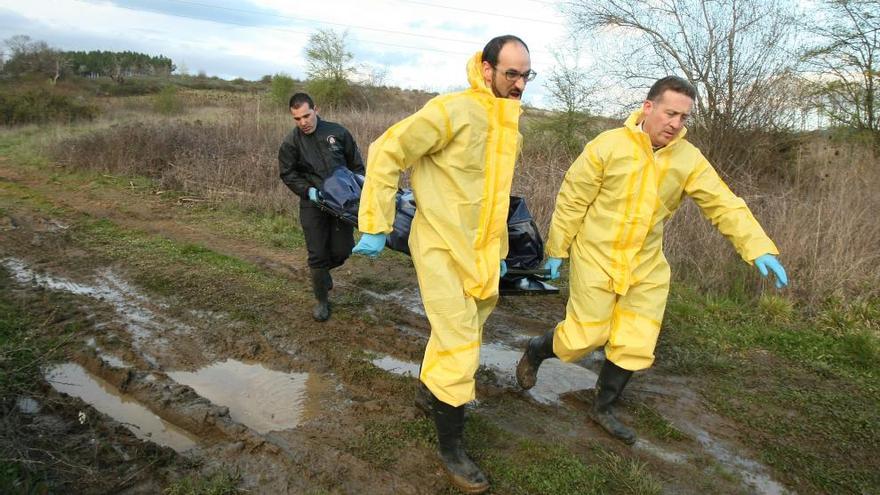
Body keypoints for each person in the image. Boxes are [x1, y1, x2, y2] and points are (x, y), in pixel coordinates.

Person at [516, 76, 789, 445]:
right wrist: (558, 249)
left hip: (646, 263)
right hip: (596, 255)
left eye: (683, 117)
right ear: (649, 107)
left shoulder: (687, 159)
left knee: (636, 339)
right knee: (585, 336)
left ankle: (603, 406)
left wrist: (757, 247)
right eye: (670, 113)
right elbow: (573, 198)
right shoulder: (608, 146)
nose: (676, 123)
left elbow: (723, 203)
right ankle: (536, 349)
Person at [351, 35, 534, 494]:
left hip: (484, 255)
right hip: (438, 248)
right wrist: (376, 221)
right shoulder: (450, 110)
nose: (519, 83)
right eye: (511, 73)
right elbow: (387, 150)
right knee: (459, 345)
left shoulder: (511, 127)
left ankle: (427, 390)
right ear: (486, 68)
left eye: (526, 74)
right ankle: (451, 448)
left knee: (463, 331)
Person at [279, 92, 364, 322]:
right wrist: (309, 191)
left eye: (306, 116)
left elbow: (357, 166)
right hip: (313, 204)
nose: (303, 122)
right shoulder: (291, 143)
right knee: (317, 255)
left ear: (315, 109)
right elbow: (288, 173)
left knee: (343, 250)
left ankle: (323, 273)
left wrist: (356, 191)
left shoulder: (338, 132)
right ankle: (322, 301)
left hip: (341, 204)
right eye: (297, 119)